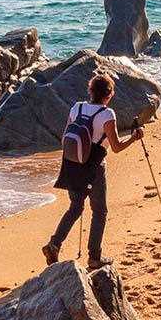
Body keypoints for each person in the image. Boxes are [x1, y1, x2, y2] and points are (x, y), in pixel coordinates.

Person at [43, 73, 143, 269]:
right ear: (109, 94)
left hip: (72, 163)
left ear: (91, 91)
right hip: (94, 168)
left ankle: (54, 244)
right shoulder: (107, 114)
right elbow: (116, 147)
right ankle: (94, 257)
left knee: (75, 207)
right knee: (99, 211)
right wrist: (134, 137)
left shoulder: (77, 107)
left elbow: (65, 137)